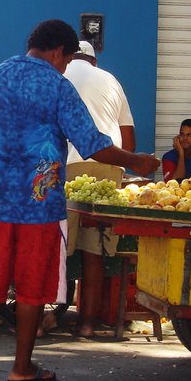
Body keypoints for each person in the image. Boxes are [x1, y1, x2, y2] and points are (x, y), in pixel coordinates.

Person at [0, 19, 159, 381]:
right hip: (41, 208)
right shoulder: (57, 86)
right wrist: (136, 161)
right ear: (59, 52)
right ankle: (21, 368)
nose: (64, 67)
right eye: (65, 60)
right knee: (33, 285)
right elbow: (93, 144)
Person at [63, 40, 137, 338]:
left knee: (59, 246)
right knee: (93, 250)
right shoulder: (111, 80)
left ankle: (42, 318)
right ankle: (87, 324)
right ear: (94, 61)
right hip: (109, 168)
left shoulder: (61, 76)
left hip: (69, 165)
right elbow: (129, 142)